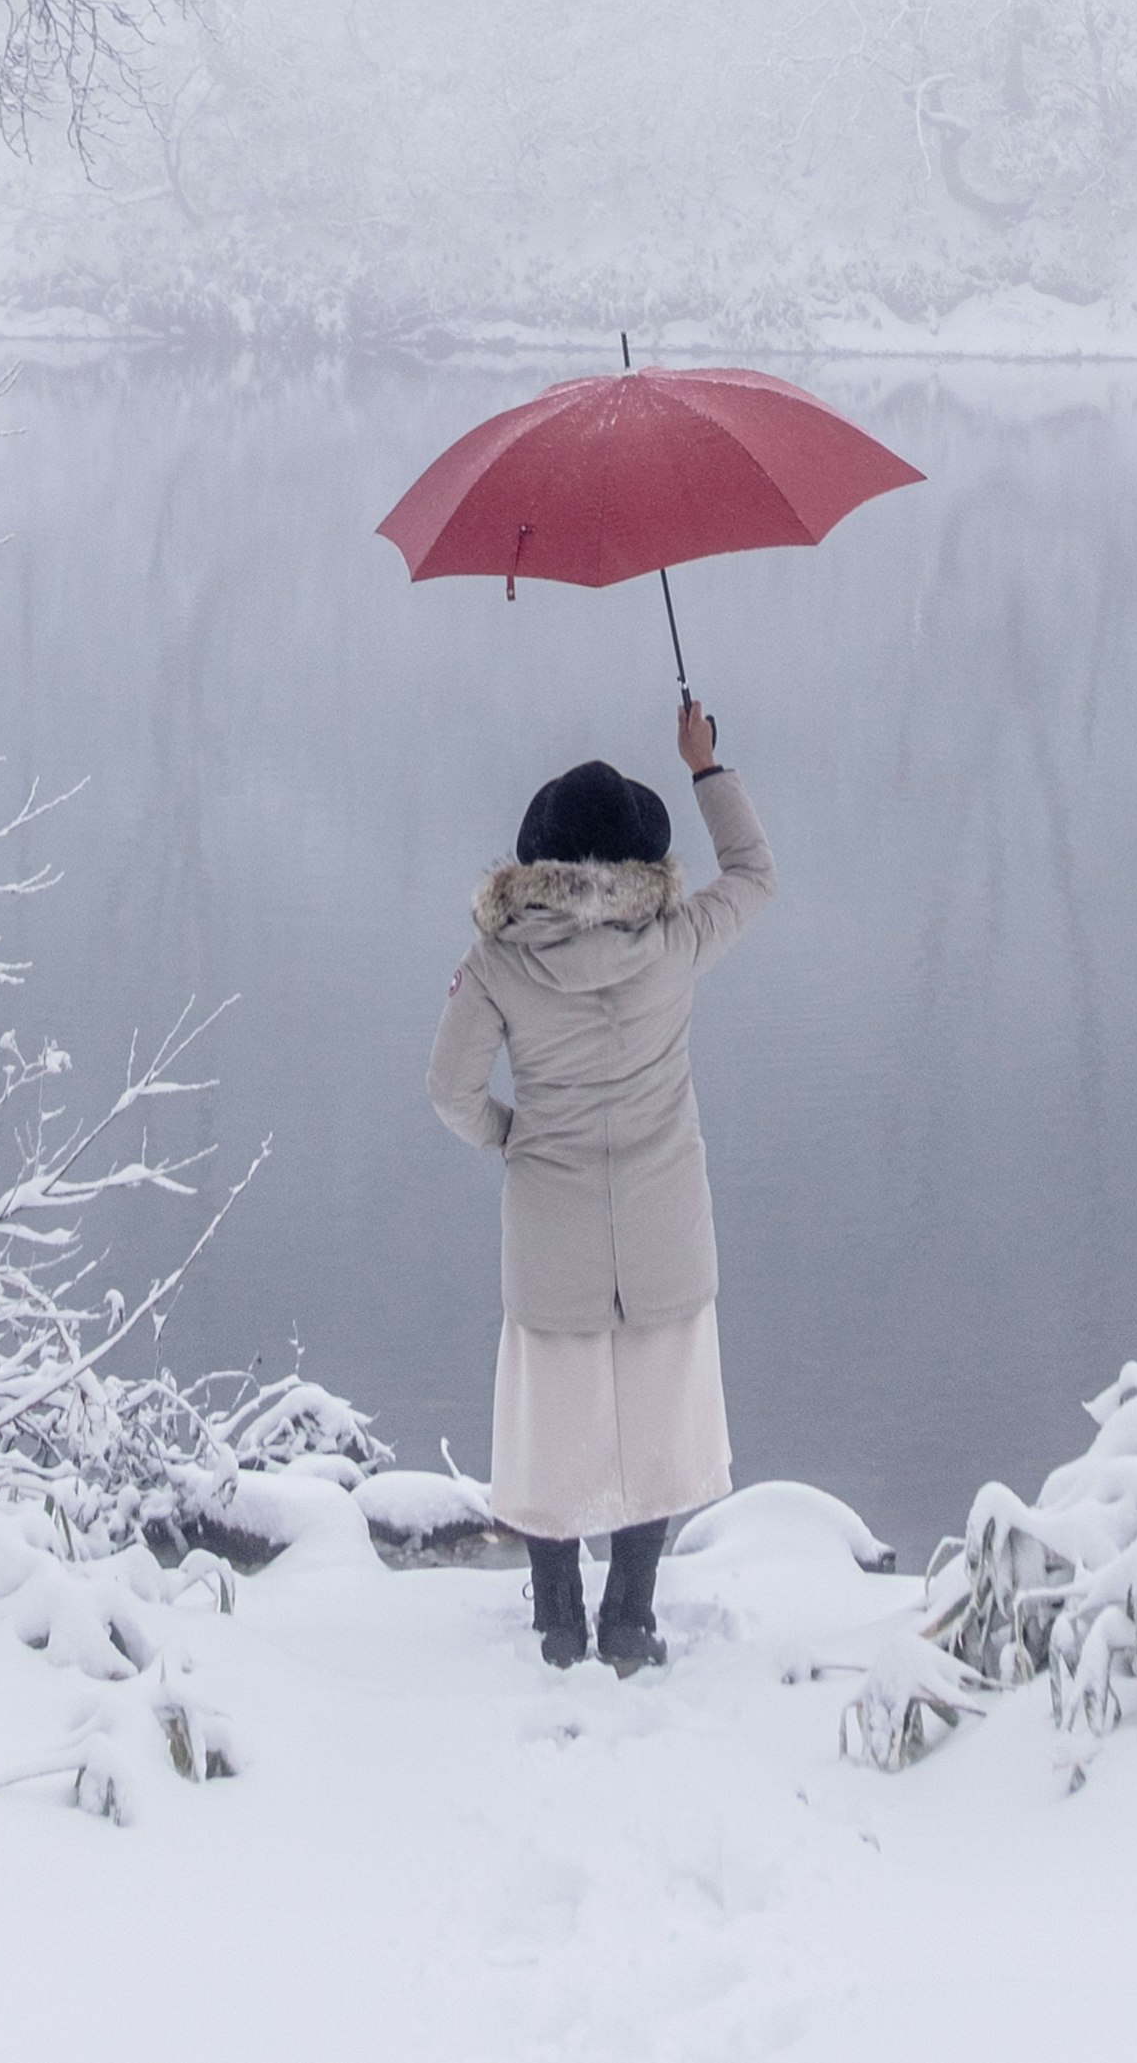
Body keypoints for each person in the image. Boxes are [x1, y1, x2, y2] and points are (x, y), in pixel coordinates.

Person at [427, 690, 776, 1673]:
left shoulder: (497, 962)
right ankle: (631, 1616)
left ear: (537, 862)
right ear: (638, 858)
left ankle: (557, 1620)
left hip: (551, 1229)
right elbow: (755, 873)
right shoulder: (672, 944)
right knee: (659, 1421)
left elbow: (449, 1089)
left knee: (551, 1428)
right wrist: (706, 764)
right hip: (665, 1227)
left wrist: (513, 1135)